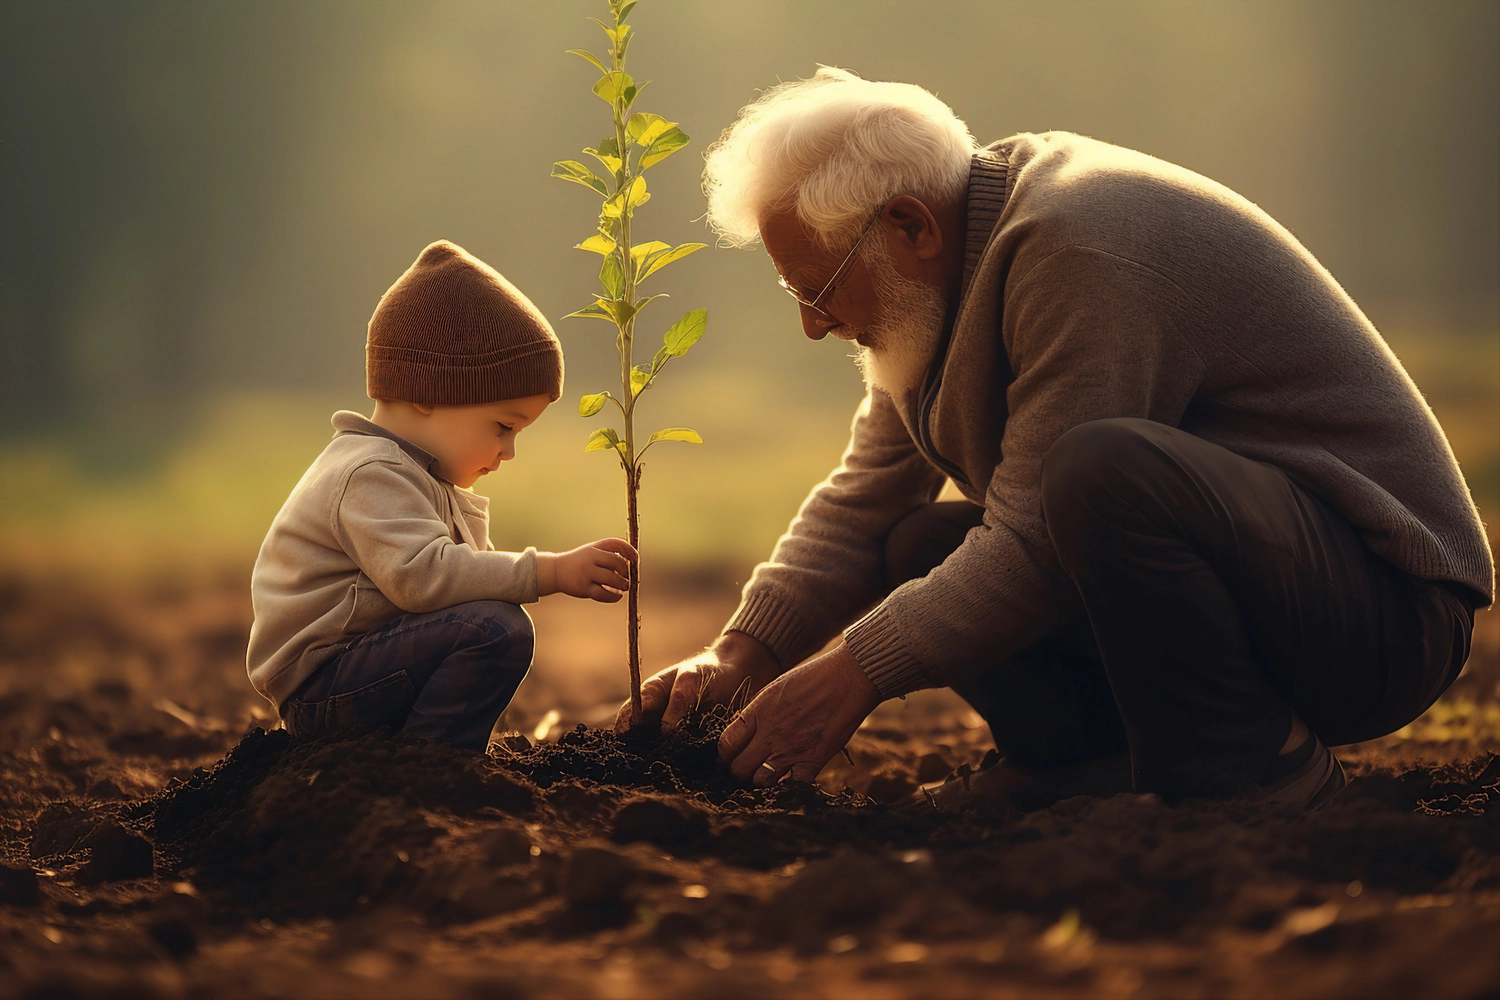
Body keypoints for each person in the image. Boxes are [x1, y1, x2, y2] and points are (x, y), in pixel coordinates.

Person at [620, 68, 1492, 810]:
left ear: (911, 227)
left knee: (1100, 471)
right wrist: (743, 653)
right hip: (1267, 585)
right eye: (794, 294)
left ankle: (1253, 770)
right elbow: (864, 497)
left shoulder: (1081, 249)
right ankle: (1083, 765)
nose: (814, 325)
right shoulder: (933, 291)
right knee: (914, 541)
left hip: (1381, 614)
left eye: (821, 288)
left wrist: (853, 671)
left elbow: (1037, 537)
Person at [248, 240, 636, 751]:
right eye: (503, 426)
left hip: (361, 671)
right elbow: (425, 577)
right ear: (428, 393)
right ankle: (431, 764)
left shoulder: (421, 476)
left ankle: (423, 757)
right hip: (324, 686)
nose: (509, 450)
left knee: (490, 622)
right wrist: (553, 571)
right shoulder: (369, 473)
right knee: (494, 629)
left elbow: (455, 580)